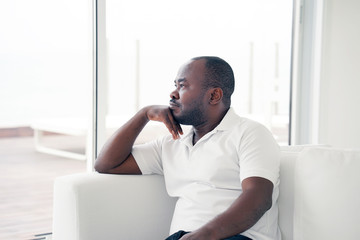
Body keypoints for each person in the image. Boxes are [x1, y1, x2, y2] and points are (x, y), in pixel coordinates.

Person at [95, 56, 281, 240]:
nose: (173, 94)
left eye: (182, 86)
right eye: (175, 85)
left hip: (240, 237)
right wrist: (144, 114)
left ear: (214, 95)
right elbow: (106, 164)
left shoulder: (250, 133)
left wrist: (203, 235)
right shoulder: (172, 142)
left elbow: (258, 198)